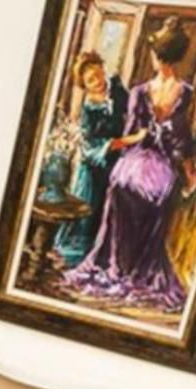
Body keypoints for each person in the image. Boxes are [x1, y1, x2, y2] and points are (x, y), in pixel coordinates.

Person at [64, 17, 196, 312]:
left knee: (119, 187)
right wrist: (190, 175)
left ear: (155, 55)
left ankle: (114, 266)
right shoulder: (185, 92)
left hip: (133, 165)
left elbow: (132, 133)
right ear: (176, 57)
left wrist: (133, 143)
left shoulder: (140, 90)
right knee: (154, 197)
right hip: (162, 170)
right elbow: (182, 139)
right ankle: (137, 269)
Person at [53, 52, 129, 267]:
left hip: (117, 161)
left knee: (110, 208)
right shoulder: (88, 109)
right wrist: (114, 144)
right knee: (89, 209)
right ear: (85, 86)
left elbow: (131, 112)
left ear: (103, 70)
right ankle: (76, 253)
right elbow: (89, 146)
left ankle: (103, 254)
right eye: (90, 81)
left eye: (98, 75)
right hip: (94, 165)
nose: (97, 82)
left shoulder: (117, 90)